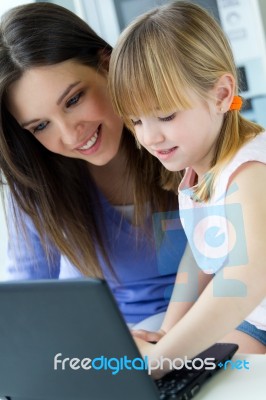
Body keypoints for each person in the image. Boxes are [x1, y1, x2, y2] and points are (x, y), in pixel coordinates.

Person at [0, 2, 188, 328]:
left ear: (107, 64)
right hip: (124, 351)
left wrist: (172, 343)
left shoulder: (188, 136)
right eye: (40, 126)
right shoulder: (39, 190)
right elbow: (23, 312)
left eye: (73, 100)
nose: (71, 134)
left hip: (227, 333)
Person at [109, 0, 266, 376]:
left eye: (164, 115)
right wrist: (168, 332)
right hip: (254, 321)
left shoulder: (249, 170)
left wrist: (161, 361)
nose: (149, 136)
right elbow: (201, 254)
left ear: (221, 94)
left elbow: (246, 277)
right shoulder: (199, 172)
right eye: (136, 120)